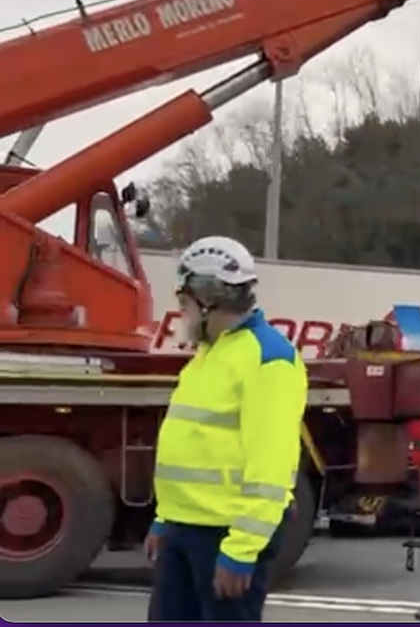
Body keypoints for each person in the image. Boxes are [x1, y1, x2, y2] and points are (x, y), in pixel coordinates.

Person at [145, 236, 307, 622]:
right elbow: (193, 445)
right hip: (184, 531)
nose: (180, 310)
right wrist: (165, 519)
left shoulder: (269, 359)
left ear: (207, 299)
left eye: (183, 301)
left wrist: (241, 550)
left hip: (225, 536)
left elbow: (271, 468)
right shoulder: (210, 353)